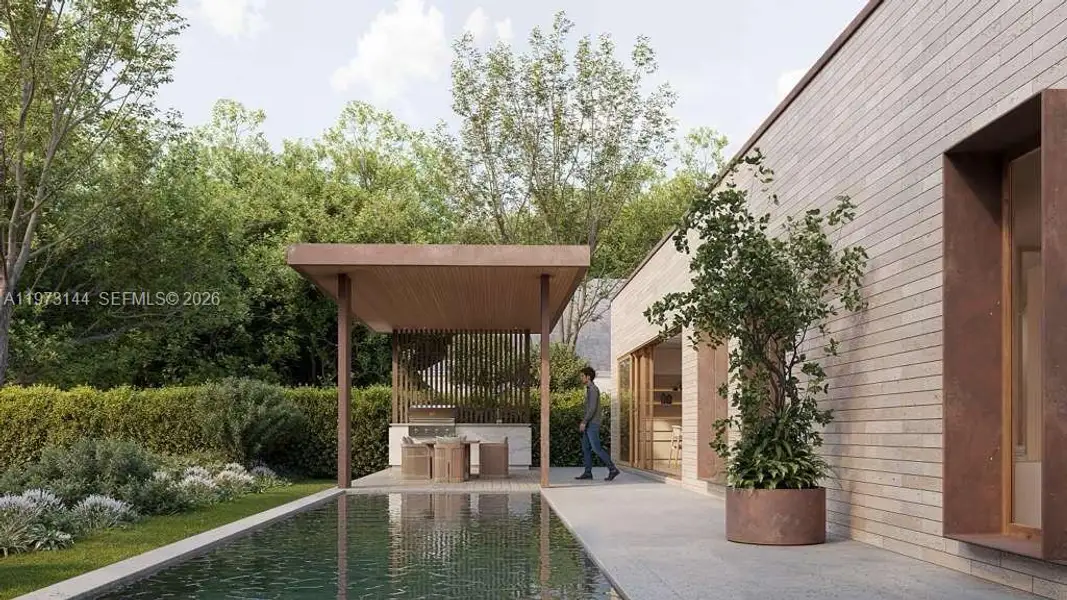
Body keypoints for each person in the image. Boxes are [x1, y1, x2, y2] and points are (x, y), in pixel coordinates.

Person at [575, 366, 620, 481]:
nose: (581, 378)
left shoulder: (593, 389)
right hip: (589, 423)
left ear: (588, 377)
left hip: (592, 424)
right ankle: (588, 472)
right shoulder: (589, 389)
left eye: (582, 376)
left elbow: (592, 408)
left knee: (596, 448)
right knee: (586, 448)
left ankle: (613, 469)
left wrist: (584, 422)